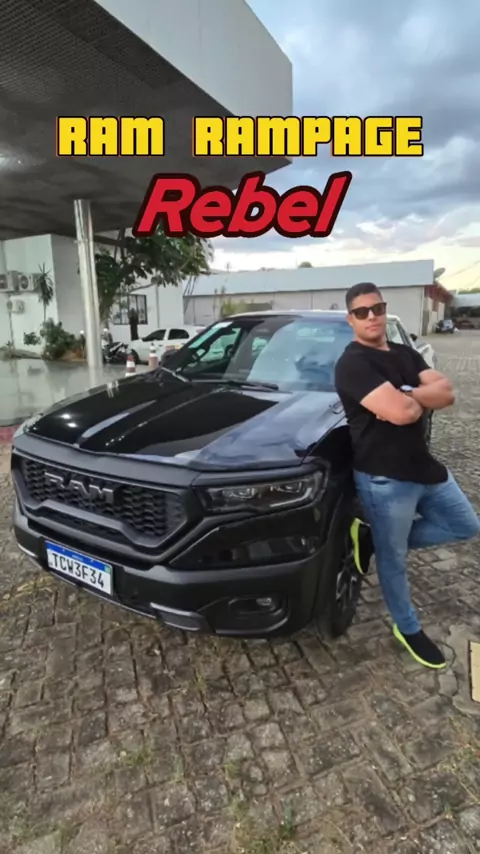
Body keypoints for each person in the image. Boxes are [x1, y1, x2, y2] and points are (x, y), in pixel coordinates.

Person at [335, 282, 480, 670]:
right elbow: (402, 414)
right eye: (361, 312)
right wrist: (415, 395)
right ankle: (407, 627)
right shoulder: (352, 364)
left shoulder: (404, 352)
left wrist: (405, 393)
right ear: (351, 319)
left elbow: (447, 393)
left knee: (465, 525)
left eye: (377, 308)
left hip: (424, 466)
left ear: (385, 310)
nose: (372, 317)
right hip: (385, 479)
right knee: (394, 560)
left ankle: (372, 539)